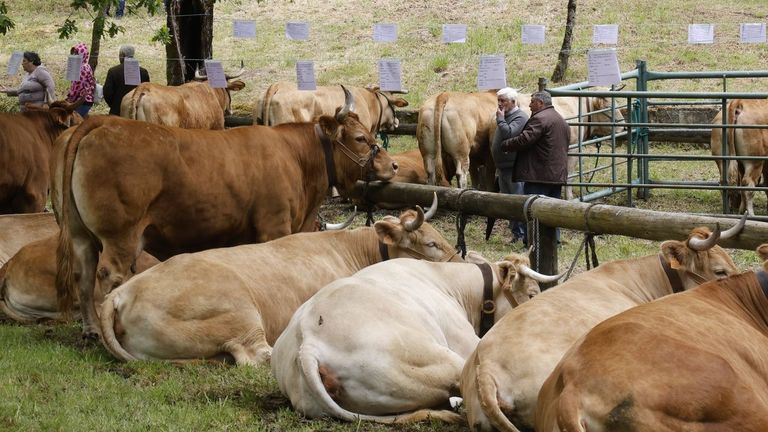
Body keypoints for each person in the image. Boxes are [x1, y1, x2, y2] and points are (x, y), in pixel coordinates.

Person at [501, 91, 570, 243]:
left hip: (539, 175)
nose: (530, 105)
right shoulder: (560, 120)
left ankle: (532, 242)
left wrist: (506, 144)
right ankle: (554, 241)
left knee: (532, 209)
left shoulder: (540, 119)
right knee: (553, 211)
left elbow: (525, 139)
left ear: (540, 103)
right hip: (556, 175)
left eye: (532, 102)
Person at [491, 87, 529, 244]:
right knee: (507, 202)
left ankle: (521, 234)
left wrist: (500, 119)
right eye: (498, 100)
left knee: (516, 201)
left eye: (503, 101)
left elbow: (509, 133)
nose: (500, 104)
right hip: (503, 167)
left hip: (514, 168)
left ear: (513, 102)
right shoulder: (506, 115)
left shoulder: (520, 117)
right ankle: (515, 233)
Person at [102, 45, 150, 116]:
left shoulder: (113, 71)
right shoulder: (143, 72)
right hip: (138, 112)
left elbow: (107, 93)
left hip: (117, 111)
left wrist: (114, 104)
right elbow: (147, 92)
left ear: (122, 55)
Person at [66, 42, 96, 118]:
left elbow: (77, 87)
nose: (73, 56)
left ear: (82, 55)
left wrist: (69, 99)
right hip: (86, 100)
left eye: (76, 54)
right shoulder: (86, 66)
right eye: (73, 53)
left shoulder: (81, 68)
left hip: (81, 101)